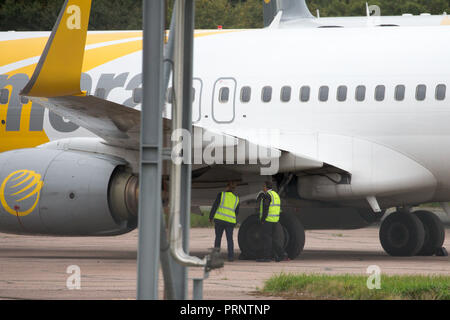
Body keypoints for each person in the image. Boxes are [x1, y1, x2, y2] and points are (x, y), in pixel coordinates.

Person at [256, 181, 288, 262]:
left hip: (268, 220)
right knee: (272, 239)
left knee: (266, 239)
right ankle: (282, 254)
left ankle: (267, 257)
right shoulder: (276, 195)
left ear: (266, 187)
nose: (263, 188)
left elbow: (265, 208)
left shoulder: (267, 195)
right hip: (275, 219)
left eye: (263, 186)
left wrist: (262, 219)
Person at [209, 181, 240, 262]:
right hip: (230, 221)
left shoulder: (221, 195)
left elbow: (215, 206)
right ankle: (231, 257)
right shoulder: (236, 198)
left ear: (227, 187)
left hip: (220, 220)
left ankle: (216, 257)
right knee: (230, 239)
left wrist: (211, 217)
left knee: (218, 238)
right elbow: (236, 212)